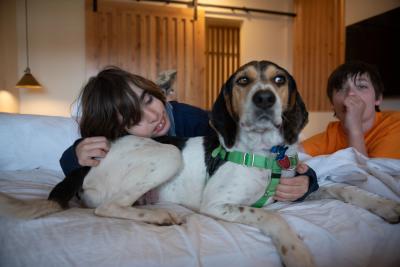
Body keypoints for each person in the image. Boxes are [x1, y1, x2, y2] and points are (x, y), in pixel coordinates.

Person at [60, 66, 318, 202]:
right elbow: (76, 164)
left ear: (153, 90)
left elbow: (264, 153)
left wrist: (307, 181)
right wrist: (76, 154)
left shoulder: (196, 121)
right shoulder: (122, 144)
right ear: (119, 130)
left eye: (148, 100)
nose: (152, 116)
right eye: (133, 118)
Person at [301, 61, 400, 159]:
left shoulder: (396, 124)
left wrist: (354, 127)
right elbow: (292, 155)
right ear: (332, 104)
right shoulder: (331, 135)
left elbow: (370, 174)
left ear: (378, 98)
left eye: (361, 86)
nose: (350, 93)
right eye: (341, 88)